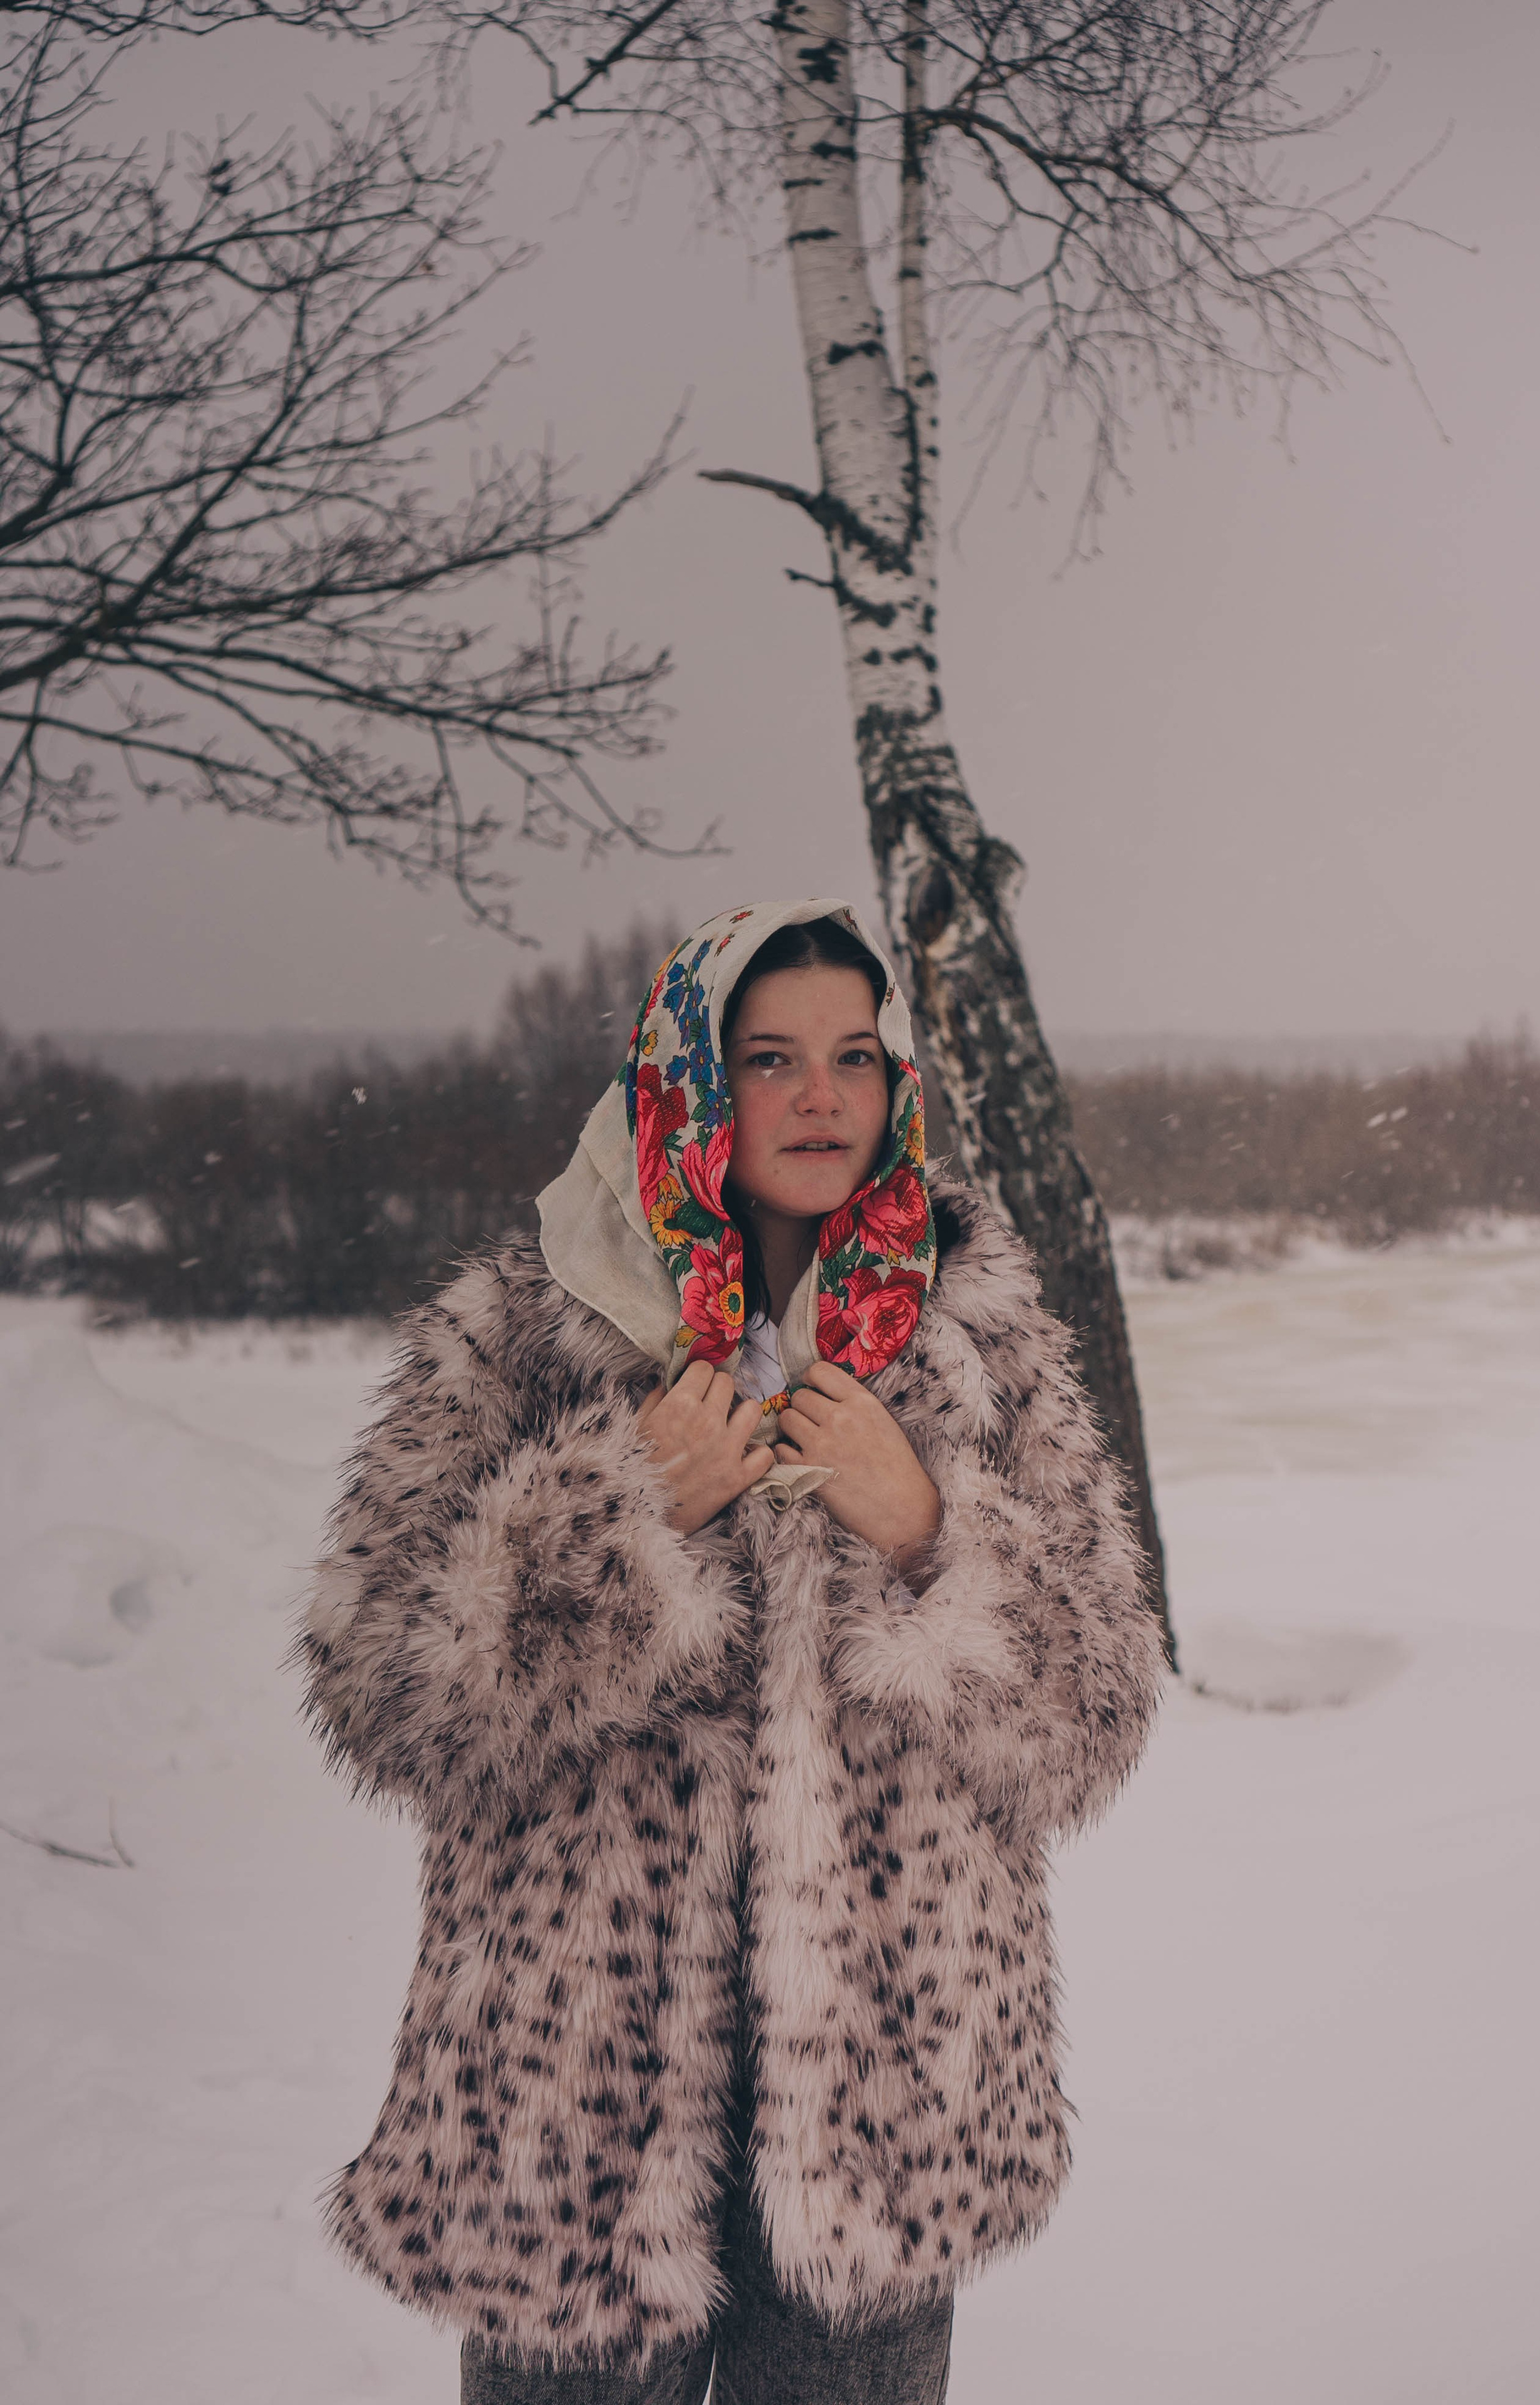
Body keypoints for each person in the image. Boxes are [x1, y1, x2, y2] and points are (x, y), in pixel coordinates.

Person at [296, 899, 1165, 2404]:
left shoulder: (972, 1331)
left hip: (893, 2097)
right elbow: (385, 1695)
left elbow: (1091, 1717)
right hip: (570, 2106)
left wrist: (925, 1532)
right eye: (768, 1059)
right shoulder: (525, 1327)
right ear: (686, 1084)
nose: (821, 1097)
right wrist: (617, 1514)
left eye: (853, 1056)